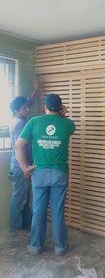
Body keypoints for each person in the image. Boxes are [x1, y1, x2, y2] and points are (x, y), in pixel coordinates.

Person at [15, 93, 75, 256]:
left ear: (45, 107)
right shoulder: (68, 124)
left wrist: (24, 168)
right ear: (61, 107)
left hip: (39, 173)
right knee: (57, 211)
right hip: (59, 173)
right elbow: (68, 125)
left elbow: (18, 146)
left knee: (39, 210)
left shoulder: (34, 122)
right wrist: (61, 114)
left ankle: (35, 246)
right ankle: (60, 247)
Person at [8, 80, 38, 236]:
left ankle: (26, 224)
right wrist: (25, 167)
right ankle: (14, 228)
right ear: (18, 110)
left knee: (25, 196)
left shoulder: (17, 118)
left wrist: (35, 90)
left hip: (20, 165)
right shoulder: (20, 124)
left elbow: (27, 102)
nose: (27, 109)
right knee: (19, 197)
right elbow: (20, 148)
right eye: (25, 108)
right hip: (20, 165)